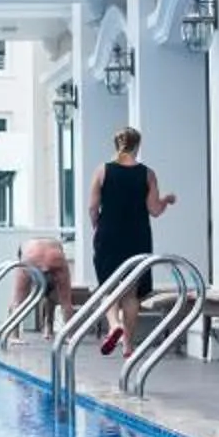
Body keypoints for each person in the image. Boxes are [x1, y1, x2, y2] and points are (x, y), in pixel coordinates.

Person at [85, 126, 174, 356]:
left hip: (109, 234)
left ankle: (114, 326)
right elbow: (154, 210)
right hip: (137, 236)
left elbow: (92, 206)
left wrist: (96, 226)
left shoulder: (102, 171)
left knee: (109, 287)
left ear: (116, 145)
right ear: (137, 145)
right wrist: (165, 201)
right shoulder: (147, 174)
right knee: (131, 293)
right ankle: (128, 345)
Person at [14, 235, 73, 331]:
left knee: (18, 300)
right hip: (56, 254)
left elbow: (16, 300)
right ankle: (70, 336)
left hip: (32, 255)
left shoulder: (26, 248)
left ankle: (14, 336)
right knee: (65, 301)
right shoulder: (50, 243)